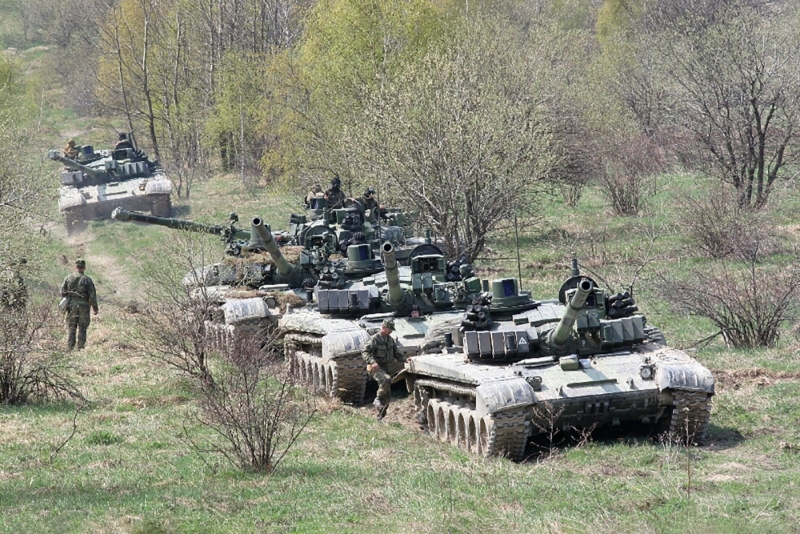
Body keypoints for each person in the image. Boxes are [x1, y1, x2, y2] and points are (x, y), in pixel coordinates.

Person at [362, 318, 404, 420]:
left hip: (385, 367)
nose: (391, 331)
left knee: (387, 397)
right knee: (386, 379)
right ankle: (377, 399)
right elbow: (364, 352)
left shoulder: (390, 340)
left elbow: (396, 353)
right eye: (389, 329)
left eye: (391, 330)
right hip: (374, 368)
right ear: (383, 327)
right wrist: (372, 362)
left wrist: (405, 360)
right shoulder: (375, 339)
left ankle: (380, 417)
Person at [60, 258, 98, 351]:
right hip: (84, 306)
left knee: (71, 327)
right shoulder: (87, 280)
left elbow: (62, 292)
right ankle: (80, 347)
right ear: (84, 268)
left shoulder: (68, 278)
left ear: (75, 267)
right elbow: (92, 295)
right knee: (83, 327)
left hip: (71, 306)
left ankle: (70, 347)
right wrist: (95, 308)